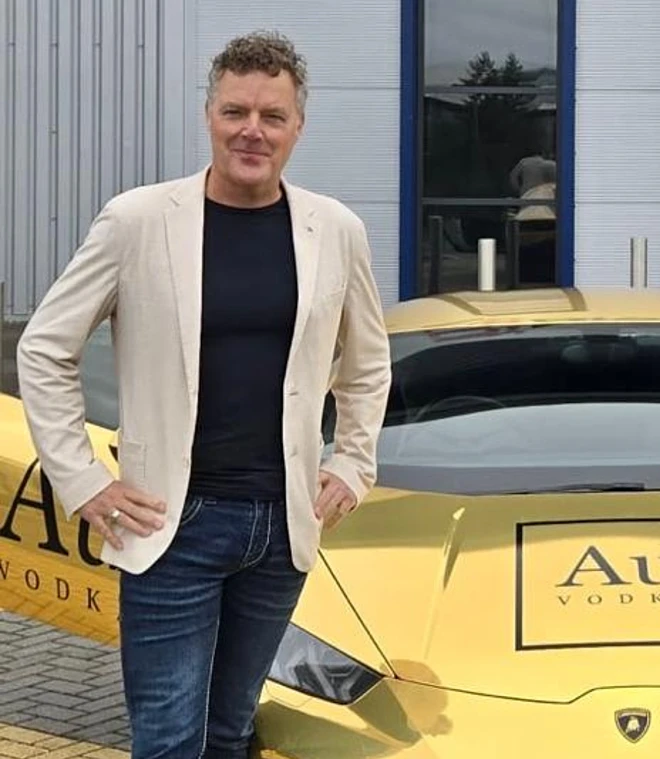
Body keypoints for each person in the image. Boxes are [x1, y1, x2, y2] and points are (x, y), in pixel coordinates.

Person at [16, 30, 392, 759]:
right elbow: (44, 348)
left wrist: (353, 462)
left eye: (272, 116)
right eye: (235, 111)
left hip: (282, 527)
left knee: (231, 733)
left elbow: (368, 363)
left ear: (297, 127)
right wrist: (82, 480)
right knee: (169, 741)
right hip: (171, 525)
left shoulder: (336, 231)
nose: (253, 130)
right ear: (210, 116)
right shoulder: (138, 221)